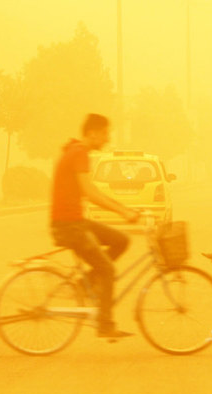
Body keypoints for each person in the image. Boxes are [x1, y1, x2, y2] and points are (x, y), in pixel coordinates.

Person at [50, 113, 140, 338]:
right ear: (92, 133)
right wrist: (123, 211)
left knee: (122, 240)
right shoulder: (79, 153)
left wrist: (124, 209)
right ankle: (105, 325)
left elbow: (91, 192)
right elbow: (90, 193)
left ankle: (86, 282)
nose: (108, 139)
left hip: (75, 222)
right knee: (108, 270)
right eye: (105, 133)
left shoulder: (77, 151)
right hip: (69, 227)